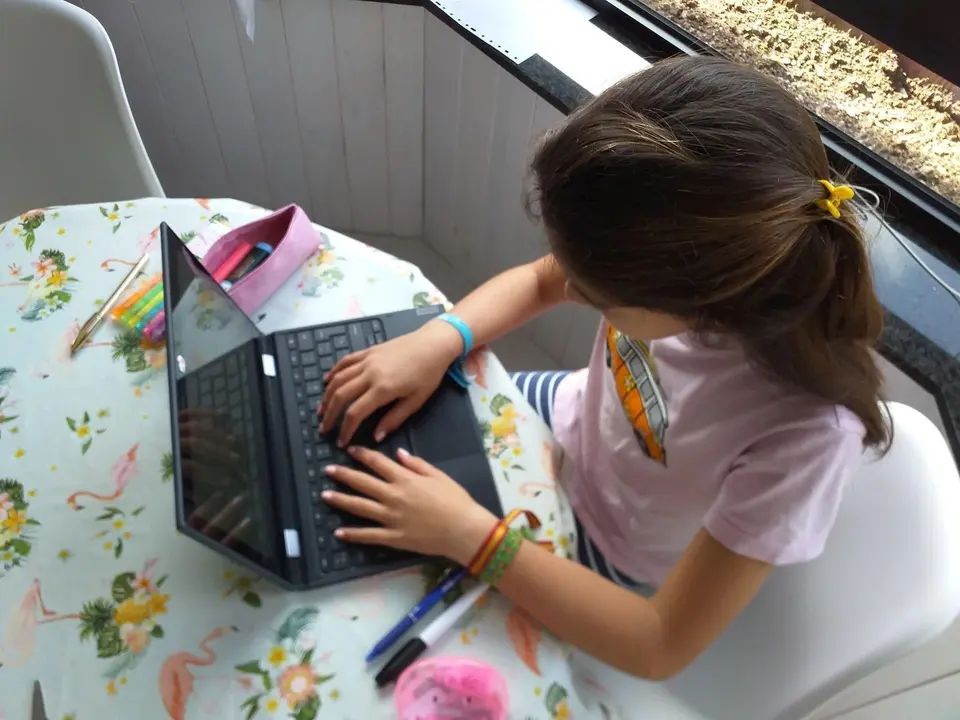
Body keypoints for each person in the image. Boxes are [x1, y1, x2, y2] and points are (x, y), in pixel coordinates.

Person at [317, 55, 891, 680]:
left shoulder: (806, 436)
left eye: (595, 295)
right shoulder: (683, 271)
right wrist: (440, 338)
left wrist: (469, 536)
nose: (571, 288)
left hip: (603, 545)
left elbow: (658, 643)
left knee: (373, 591)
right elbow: (542, 281)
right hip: (563, 412)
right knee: (358, 451)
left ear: (694, 299)